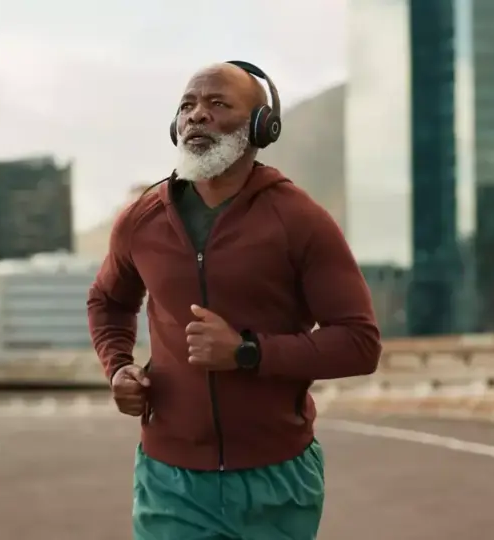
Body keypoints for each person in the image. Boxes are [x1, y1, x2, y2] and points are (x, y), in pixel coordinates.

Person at [87, 60, 383, 540]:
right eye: (187, 105)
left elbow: (359, 343)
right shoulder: (140, 220)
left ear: (261, 127)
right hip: (170, 477)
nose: (196, 115)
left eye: (217, 104)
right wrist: (118, 366)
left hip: (277, 477)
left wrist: (247, 351)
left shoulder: (300, 219)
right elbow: (107, 300)